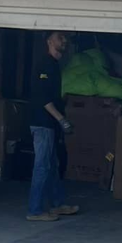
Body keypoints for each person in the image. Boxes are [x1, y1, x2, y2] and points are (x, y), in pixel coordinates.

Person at [27, 31, 80, 222]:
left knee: (52, 166)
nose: (64, 41)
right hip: (42, 124)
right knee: (42, 166)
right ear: (49, 41)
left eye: (65, 38)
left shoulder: (54, 65)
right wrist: (61, 119)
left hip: (49, 124)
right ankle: (34, 210)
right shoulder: (45, 64)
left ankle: (58, 204)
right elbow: (42, 97)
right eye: (60, 37)